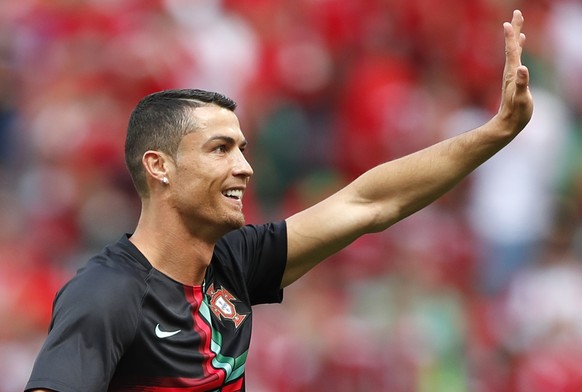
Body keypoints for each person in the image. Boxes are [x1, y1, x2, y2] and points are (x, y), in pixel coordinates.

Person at [26, 9, 533, 392]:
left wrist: (494, 133)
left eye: (242, 150)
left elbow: (371, 202)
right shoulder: (108, 293)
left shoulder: (234, 261)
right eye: (220, 150)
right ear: (159, 166)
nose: (244, 167)